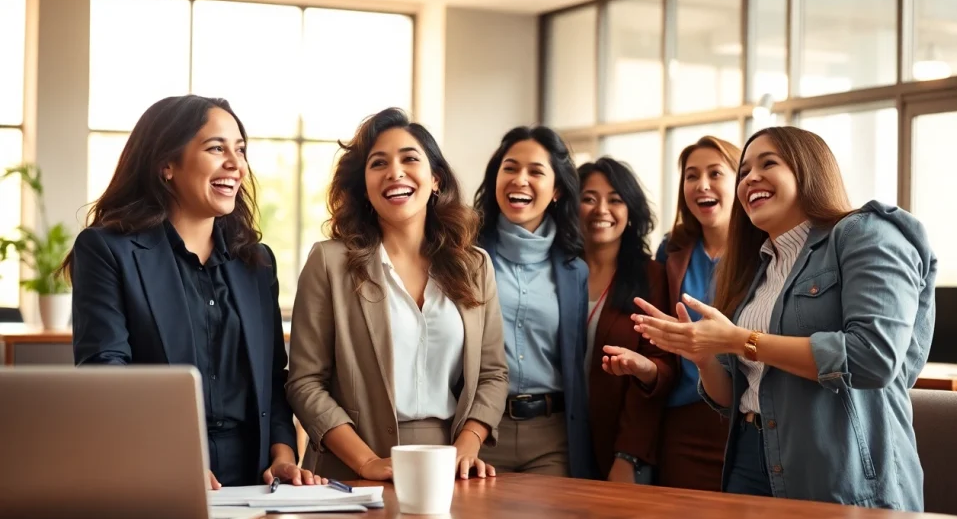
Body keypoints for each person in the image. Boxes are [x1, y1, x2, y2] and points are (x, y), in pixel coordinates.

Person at [632, 126, 936, 510]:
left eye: (768, 163)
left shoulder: (866, 233)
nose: (751, 178)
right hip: (749, 456)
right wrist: (703, 353)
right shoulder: (759, 266)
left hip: (839, 468)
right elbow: (731, 396)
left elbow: (873, 358)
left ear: (808, 170)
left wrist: (737, 340)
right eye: (743, 172)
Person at [66, 95, 320, 489]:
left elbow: (272, 376)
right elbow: (104, 372)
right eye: (216, 148)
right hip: (154, 474)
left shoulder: (257, 262)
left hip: (254, 483)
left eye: (240, 150)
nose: (235, 164)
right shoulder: (106, 250)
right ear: (166, 164)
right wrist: (167, 459)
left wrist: (283, 453)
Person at [285, 108, 508, 482]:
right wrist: (366, 462)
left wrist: (467, 446)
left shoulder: (475, 265)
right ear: (365, 186)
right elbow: (305, 382)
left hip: (447, 465)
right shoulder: (330, 262)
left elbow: (492, 373)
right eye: (378, 164)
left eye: (409, 159)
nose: (395, 172)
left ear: (435, 179)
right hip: (350, 467)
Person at [473, 126, 598, 479]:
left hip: (550, 437)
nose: (520, 180)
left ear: (557, 189)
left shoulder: (575, 271)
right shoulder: (465, 256)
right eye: (509, 168)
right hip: (479, 433)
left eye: (536, 172)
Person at [577, 157, 678, 484]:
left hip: (621, 448)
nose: (601, 209)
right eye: (589, 198)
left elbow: (661, 366)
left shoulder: (651, 276)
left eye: (615, 200)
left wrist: (628, 456)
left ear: (630, 211)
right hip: (561, 442)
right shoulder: (557, 270)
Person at [650, 136, 739, 490]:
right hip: (683, 419)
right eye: (691, 175)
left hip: (746, 420)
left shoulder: (765, 248)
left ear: (739, 180)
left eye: (715, 173)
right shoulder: (671, 249)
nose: (702, 185)